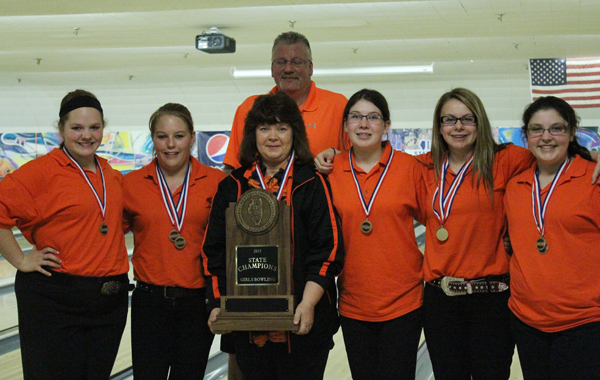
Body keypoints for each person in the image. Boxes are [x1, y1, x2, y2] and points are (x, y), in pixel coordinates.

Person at [202, 91, 344, 380]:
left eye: (282, 128)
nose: (273, 136)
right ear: (252, 134)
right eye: (264, 128)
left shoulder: (312, 183)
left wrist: (307, 303)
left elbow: (328, 250)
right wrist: (217, 304)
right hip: (248, 325)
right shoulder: (232, 187)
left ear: (295, 133)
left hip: (302, 322)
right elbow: (212, 251)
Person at [0, 89, 130, 379]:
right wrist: (21, 260)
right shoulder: (41, 172)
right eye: (77, 128)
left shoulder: (111, 174)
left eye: (94, 127)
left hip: (109, 303)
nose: (87, 135)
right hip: (54, 300)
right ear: (61, 129)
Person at [326, 89, 425, 380]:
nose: (364, 124)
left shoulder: (409, 168)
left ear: (386, 125)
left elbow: (438, 221)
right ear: (345, 126)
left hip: (404, 300)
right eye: (356, 117)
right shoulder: (331, 170)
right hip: (354, 301)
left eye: (373, 117)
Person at [123, 103, 225, 379]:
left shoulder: (217, 182)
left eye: (179, 136)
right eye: (161, 136)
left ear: (192, 137)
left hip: (197, 302)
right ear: (152, 139)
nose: (170, 144)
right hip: (149, 302)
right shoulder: (131, 184)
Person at [505, 96, 600, 380]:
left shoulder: (593, 179)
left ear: (572, 133)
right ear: (526, 136)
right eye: (537, 129)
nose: (546, 137)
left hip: (585, 323)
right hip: (526, 320)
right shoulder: (515, 186)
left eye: (556, 128)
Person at [223, 31, 348, 173]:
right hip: (261, 195)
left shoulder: (338, 105)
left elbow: (358, 160)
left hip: (320, 194)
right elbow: (232, 167)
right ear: (271, 69)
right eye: (281, 62)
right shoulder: (249, 107)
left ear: (310, 68)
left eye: (297, 62)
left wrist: (336, 154)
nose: (288, 69)